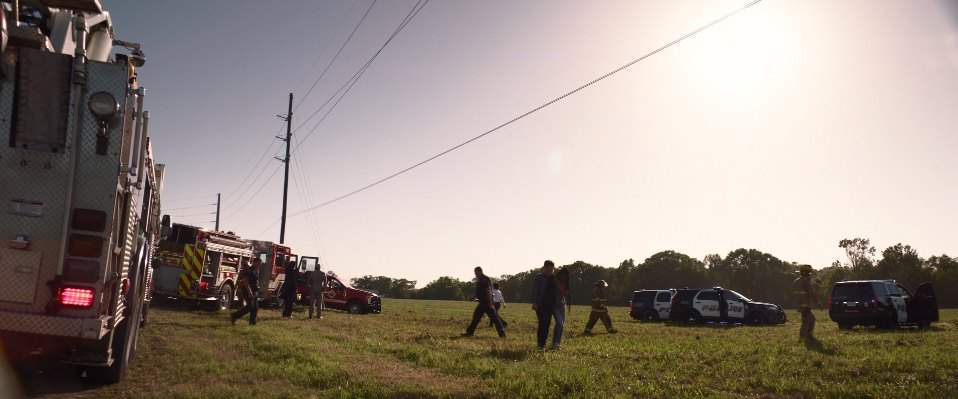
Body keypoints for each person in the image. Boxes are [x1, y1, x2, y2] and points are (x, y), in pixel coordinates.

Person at [463, 267, 506, 338]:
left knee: (494, 319)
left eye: (476, 272)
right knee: (477, 317)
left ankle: (502, 334)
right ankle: (470, 332)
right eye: (475, 273)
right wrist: (474, 298)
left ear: (480, 271)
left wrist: (489, 302)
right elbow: (480, 292)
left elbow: (488, 290)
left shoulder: (484, 279)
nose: (475, 274)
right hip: (483, 302)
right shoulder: (482, 279)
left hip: (486, 303)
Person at [533, 260, 565, 350]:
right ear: (544, 268)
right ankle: (541, 344)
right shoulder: (539, 278)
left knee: (546, 325)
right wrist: (535, 303)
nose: (550, 271)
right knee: (542, 324)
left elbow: (560, 291)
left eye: (552, 270)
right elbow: (535, 291)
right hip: (541, 305)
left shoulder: (555, 278)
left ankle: (544, 344)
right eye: (549, 269)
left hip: (551, 305)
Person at [230, 259, 260, 325]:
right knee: (250, 306)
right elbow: (245, 281)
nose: (259, 265)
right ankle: (234, 315)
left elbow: (256, 282)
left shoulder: (256, 270)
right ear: (254, 263)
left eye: (259, 263)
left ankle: (252, 323)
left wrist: (257, 291)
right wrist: (249, 292)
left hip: (254, 291)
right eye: (258, 263)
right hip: (247, 291)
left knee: (255, 307)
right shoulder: (249, 270)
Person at [793, 264, 818, 341]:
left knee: (811, 319)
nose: (810, 274)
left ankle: (808, 336)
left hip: (799, 304)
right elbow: (811, 292)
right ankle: (804, 337)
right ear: (805, 272)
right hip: (805, 304)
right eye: (809, 273)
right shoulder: (806, 281)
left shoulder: (796, 281)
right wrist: (817, 302)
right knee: (806, 321)